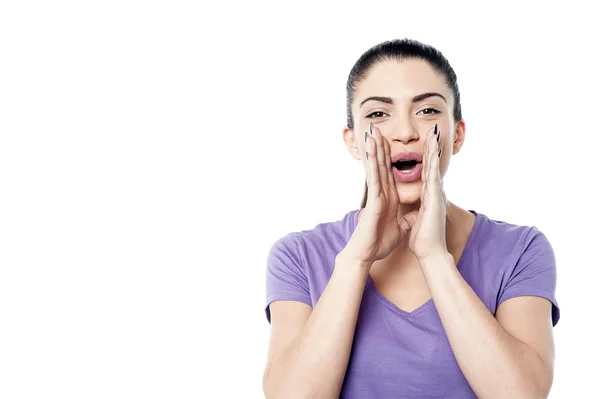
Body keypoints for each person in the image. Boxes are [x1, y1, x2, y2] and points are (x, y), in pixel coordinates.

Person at [261, 38, 560, 399]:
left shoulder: (520, 250)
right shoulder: (297, 256)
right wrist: (356, 260)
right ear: (353, 140)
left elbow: (521, 395)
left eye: (428, 111)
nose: (405, 132)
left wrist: (435, 257)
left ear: (458, 134)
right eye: (377, 114)